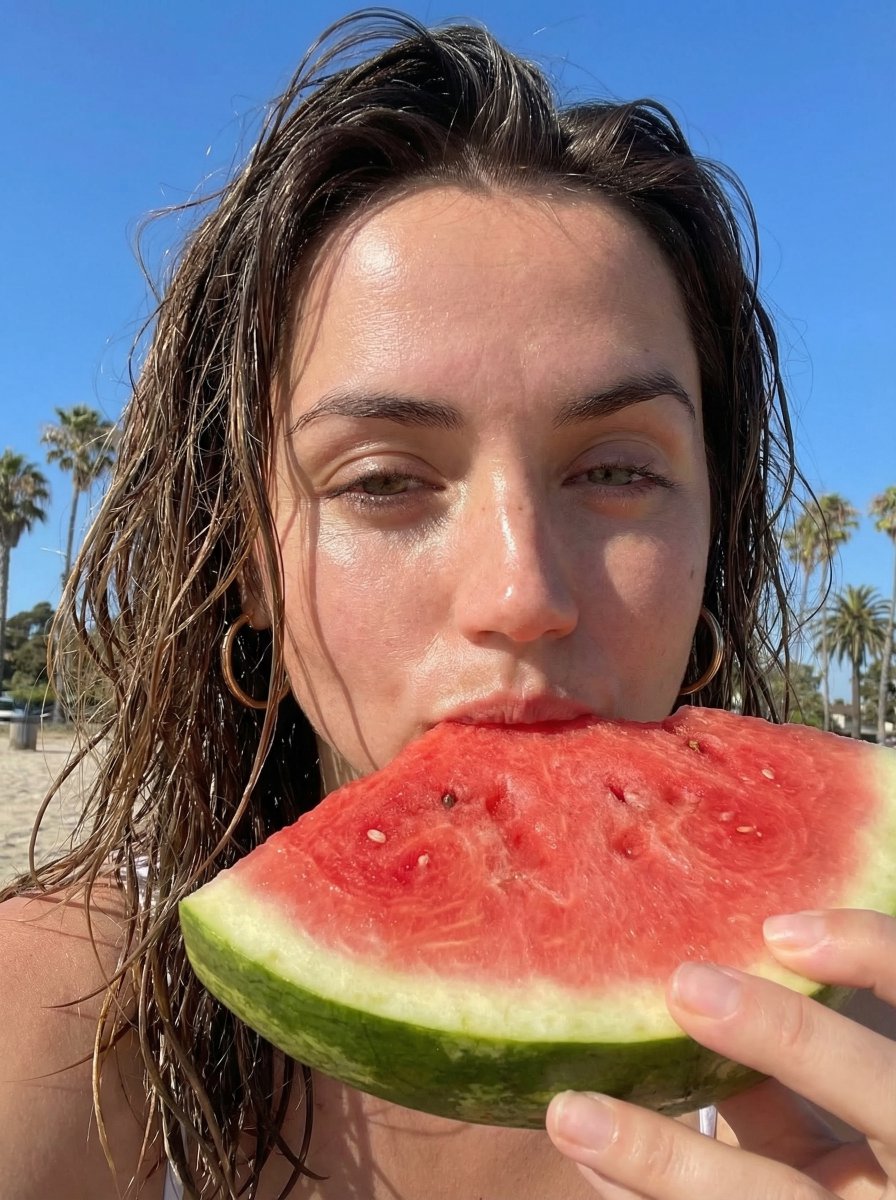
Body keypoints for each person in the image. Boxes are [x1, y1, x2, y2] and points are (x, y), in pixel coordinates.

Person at [2, 11, 894, 1199]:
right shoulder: (63, 1023)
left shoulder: (864, 1055)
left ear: (709, 528)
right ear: (250, 562)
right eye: (381, 482)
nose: (522, 595)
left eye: (616, 470)